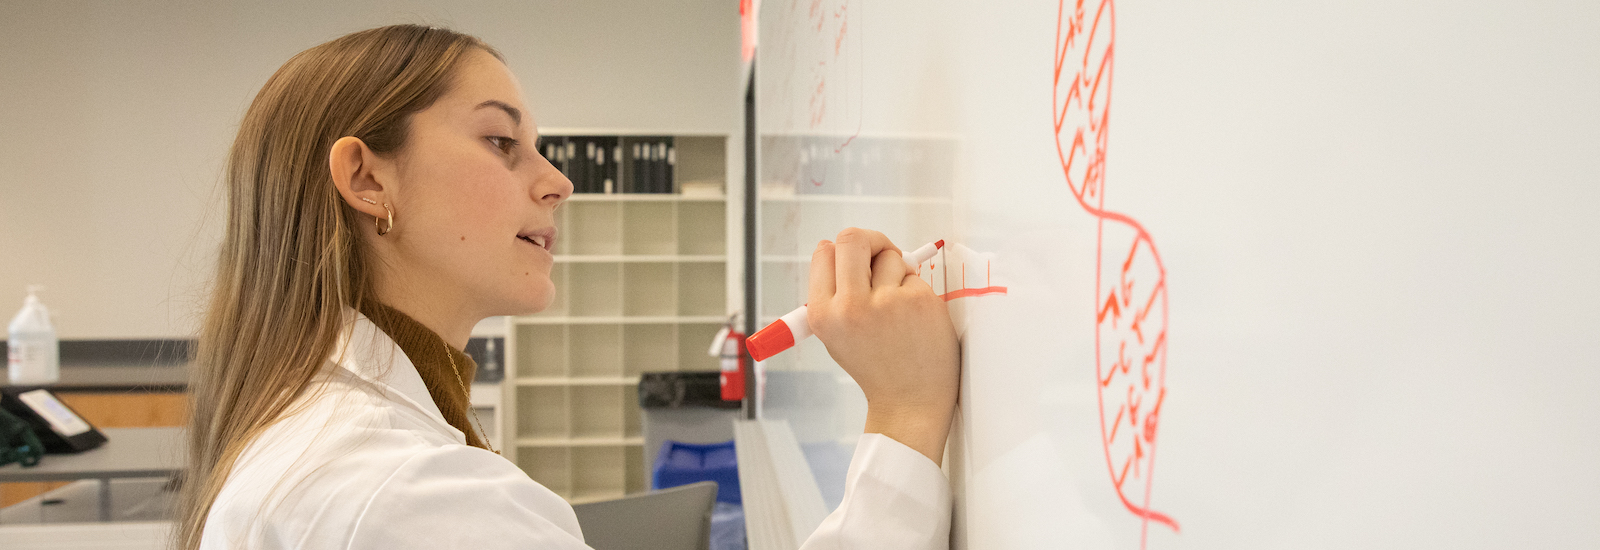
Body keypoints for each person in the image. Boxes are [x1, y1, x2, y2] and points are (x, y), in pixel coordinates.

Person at [175, 24, 960, 550]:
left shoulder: (342, 436)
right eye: (500, 141)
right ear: (366, 178)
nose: (558, 181)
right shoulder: (403, 492)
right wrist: (905, 414)